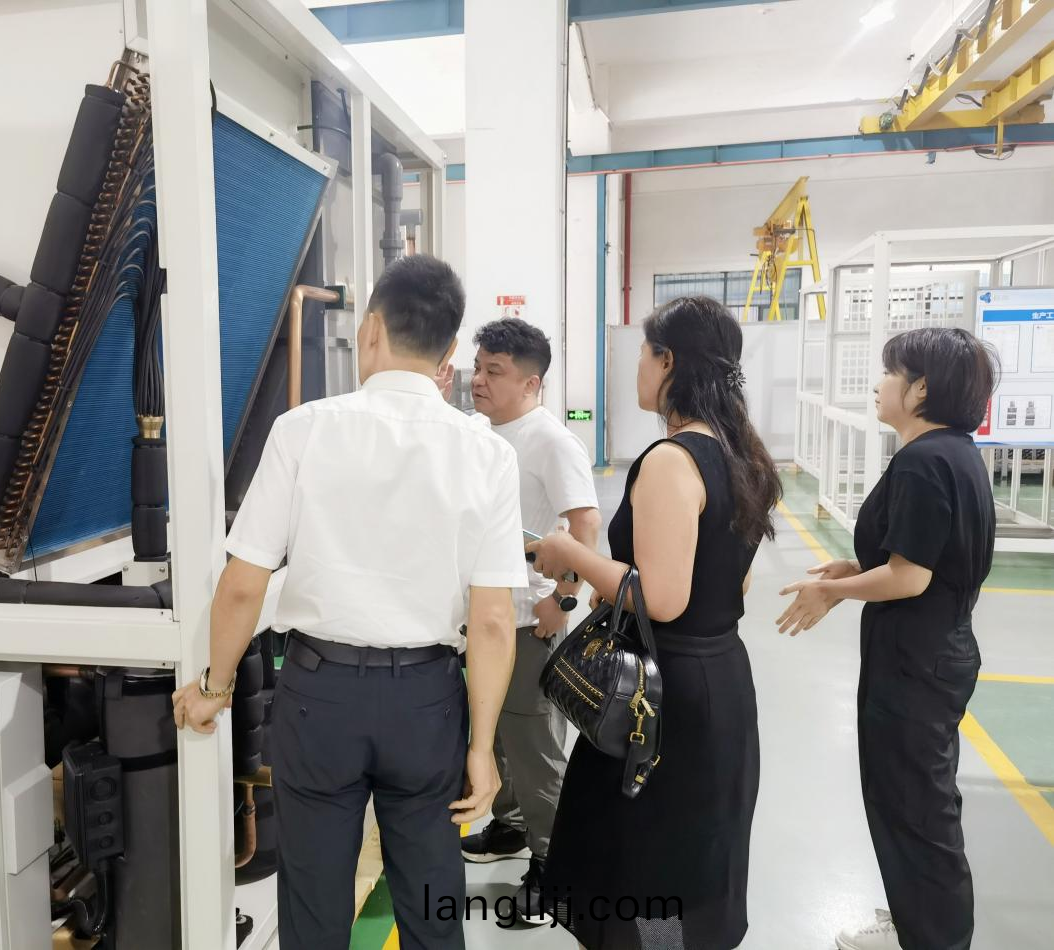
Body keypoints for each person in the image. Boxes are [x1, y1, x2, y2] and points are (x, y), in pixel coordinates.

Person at [172, 255, 525, 950]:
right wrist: (482, 748)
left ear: (370, 332)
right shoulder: (486, 453)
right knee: (431, 901)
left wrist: (213, 688)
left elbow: (242, 583)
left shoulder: (303, 429)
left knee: (313, 907)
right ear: (450, 351)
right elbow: (491, 621)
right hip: (427, 702)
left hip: (318, 697)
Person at [527, 296, 781, 950]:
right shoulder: (740, 454)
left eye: (644, 353)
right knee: (695, 847)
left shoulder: (672, 460)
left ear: (668, 361)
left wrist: (570, 553)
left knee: (647, 853)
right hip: (719, 677)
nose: (637, 366)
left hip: (661, 695)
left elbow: (662, 598)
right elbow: (733, 581)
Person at [777, 327, 999, 950]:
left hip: (914, 663)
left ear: (920, 388)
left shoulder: (925, 461)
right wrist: (854, 568)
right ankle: (915, 921)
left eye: (888, 373)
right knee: (918, 800)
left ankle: (934, 937)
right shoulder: (954, 453)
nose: (878, 385)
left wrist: (833, 593)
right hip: (934, 653)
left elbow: (910, 577)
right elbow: (928, 557)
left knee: (915, 809)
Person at [457, 318, 602, 925]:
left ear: (531, 382)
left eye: (494, 371)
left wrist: (562, 599)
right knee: (502, 739)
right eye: (477, 367)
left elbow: (586, 525)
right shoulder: (480, 432)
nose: (478, 381)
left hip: (529, 620)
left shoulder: (551, 441)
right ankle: (513, 826)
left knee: (535, 747)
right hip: (488, 617)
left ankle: (554, 869)